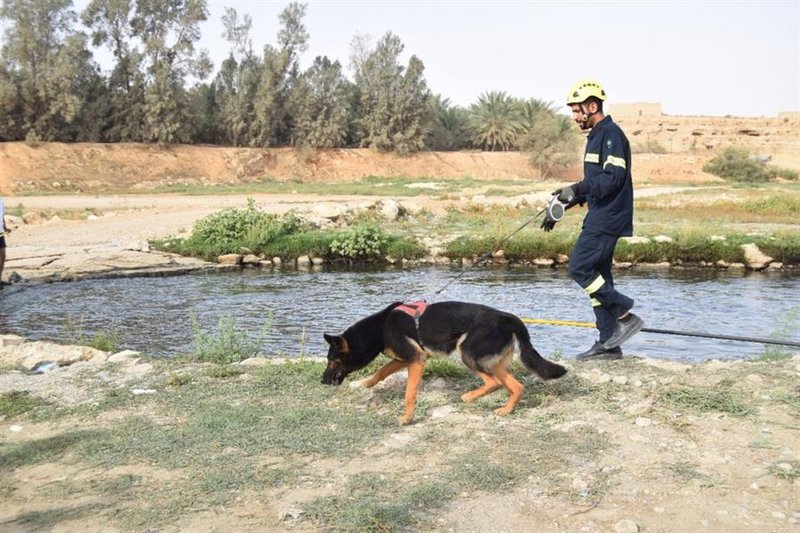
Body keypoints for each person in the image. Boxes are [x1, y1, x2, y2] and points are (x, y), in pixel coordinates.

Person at [541, 79, 643, 359]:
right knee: (598, 278)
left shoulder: (611, 134)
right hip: (600, 214)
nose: (575, 117)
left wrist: (576, 188)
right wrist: (564, 203)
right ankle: (609, 343)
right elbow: (595, 182)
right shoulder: (597, 136)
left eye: (577, 111)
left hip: (608, 218)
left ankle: (625, 315)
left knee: (579, 268)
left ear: (592, 106)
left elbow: (612, 179)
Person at [0, 196, 8, 287]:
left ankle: (0, 279)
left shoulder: (1, 200)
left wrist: (5, 227)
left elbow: (1, 215)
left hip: (0, 233)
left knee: (3, 256)